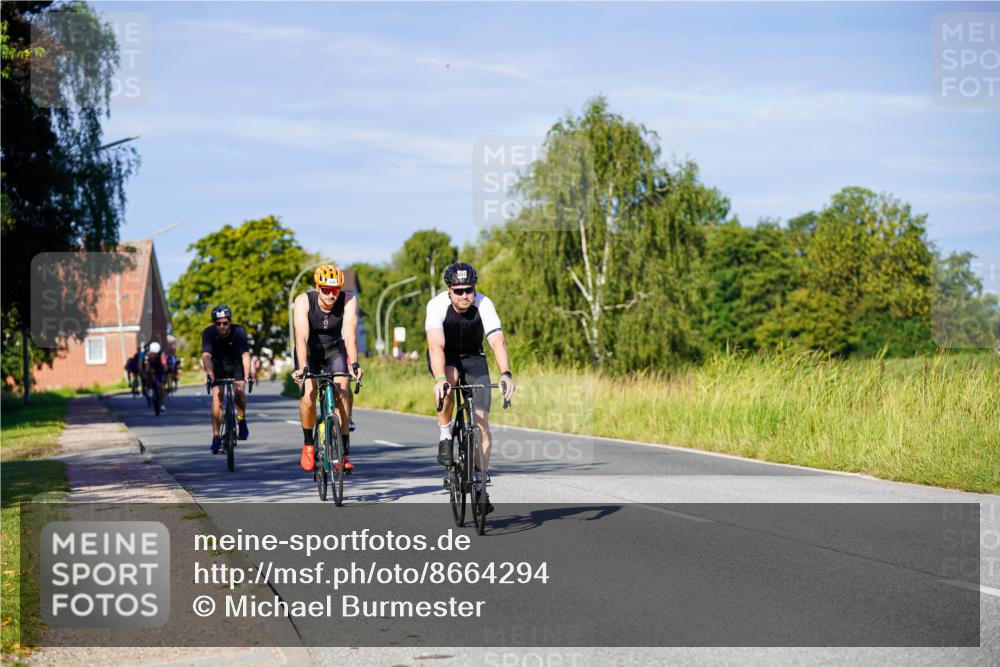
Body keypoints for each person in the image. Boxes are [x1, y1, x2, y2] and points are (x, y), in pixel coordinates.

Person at [425, 262, 515, 514]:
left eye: (469, 290)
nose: (465, 295)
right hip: (447, 357)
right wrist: (439, 378)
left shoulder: (484, 304)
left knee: (482, 422)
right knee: (449, 382)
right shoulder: (436, 306)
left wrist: (506, 373)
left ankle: (480, 486)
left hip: (475, 358)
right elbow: (435, 346)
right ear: (449, 290)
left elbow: (497, 340)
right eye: (459, 290)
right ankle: (445, 435)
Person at [292, 264, 363, 473]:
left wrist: (355, 363)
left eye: (335, 290)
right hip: (310, 352)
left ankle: (344, 452)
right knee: (309, 393)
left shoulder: (348, 300)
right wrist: (303, 367)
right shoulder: (303, 301)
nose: (331, 295)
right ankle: (308, 445)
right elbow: (301, 337)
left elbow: (349, 335)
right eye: (326, 289)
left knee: (343, 390)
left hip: (334, 350)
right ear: (317, 287)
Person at [201, 305, 252, 454]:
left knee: (239, 392)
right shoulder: (208, 333)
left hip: (236, 364)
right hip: (217, 365)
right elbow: (206, 356)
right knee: (217, 397)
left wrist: (247, 373)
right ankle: (216, 436)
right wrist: (210, 373)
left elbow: (245, 355)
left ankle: (241, 419)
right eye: (218, 323)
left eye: (225, 323)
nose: (222, 326)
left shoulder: (239, 331)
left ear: (230, 322)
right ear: (214, 323)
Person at [143, 341, 168, 411]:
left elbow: (164, 363)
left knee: (162, 387)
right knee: (149, 376)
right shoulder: (147, 355)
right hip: (151, 369)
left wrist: (165, 369)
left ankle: (162, 404)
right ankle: (150, 389)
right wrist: (147, 370)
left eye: (156, 353)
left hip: (160, 369)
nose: (154, 354)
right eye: (153, 353)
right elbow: (146, 364)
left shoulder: (162, 354)